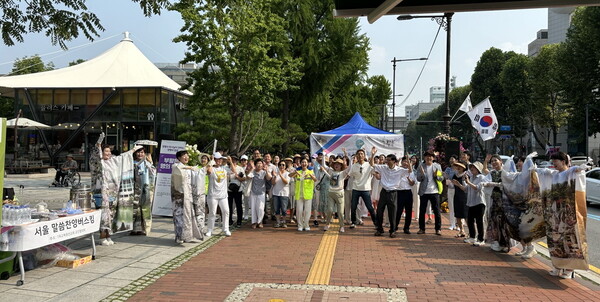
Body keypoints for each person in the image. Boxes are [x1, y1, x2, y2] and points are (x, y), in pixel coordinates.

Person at [536, 152, 587, 279]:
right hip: (555, 213)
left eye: (556, 162)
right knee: (556, 239)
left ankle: (569, 269)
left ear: (564, 161)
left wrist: (581, 168)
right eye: (553, 162)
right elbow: (544, 171)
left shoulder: (569, 173)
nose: (554, 164)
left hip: (568, 212)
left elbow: (576, 170)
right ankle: (557, 266)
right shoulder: (555, 175)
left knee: (570, 238)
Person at [94, 133, 142, 246]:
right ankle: (102, 237)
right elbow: (97, 152)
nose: (108, 153)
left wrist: (133, 150)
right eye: (106, 151)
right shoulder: (99, 162)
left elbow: (123, 157)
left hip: (113, 192)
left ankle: (108, 235)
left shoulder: (113, 161)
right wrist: (100, 141)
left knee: (112, 214)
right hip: (103, 191)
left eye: (109, 151)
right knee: (104, 214)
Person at [369, 147, 410, 238]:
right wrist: (372, 154)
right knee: (379, 211)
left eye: (388, 160)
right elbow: (372, 164)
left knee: (392, 213)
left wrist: (408, 161)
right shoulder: (383, 168)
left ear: (394, 161)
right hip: (384, 192)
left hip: (393, 193)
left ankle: (393, 230)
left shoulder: (399, 170)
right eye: (386, 160)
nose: (386, 162)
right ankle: (380, 229)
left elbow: (409, 171)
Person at [171, 150, 204, 243]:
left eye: (187, 156)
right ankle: (178, 236)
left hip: (188, 195)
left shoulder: (189, 169)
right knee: (179, 216)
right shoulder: (175, 166)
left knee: (188, 216)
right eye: (184, 156)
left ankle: (187, 236)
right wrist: (190, 167)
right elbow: (180, 169)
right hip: (178, 197)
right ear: (178, 158)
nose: (186, 157)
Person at [464, 162, 497, 246]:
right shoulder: (471, 177)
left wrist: (468, 182)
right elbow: (467, 189)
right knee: (470, 220)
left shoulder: (482, 177)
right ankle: (472, 236)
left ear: (478, 169)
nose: (472, 169)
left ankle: (481, 239)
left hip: (479, 202)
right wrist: (458, 184)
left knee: (479, 221)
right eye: (471, 167)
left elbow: (477, 188)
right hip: (471, 202)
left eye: (474, 167)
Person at [483, 154, 510, 253]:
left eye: (495, 160)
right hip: (494, 200)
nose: (494, 163)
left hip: (504, 200)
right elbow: (485, 179)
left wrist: (495, 184)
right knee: (495, 221)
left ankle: (506, 244)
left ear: (500, 161)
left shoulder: (506, 172)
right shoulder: (492, 173)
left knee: (504, 222)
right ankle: (497, 241)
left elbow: (507, 184)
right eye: (492, 161)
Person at [347, 148, 377, 229]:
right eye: (358, 154)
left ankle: (376, 223)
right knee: (353, 206)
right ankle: (353, 222)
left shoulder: (368, 165)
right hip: (356, 189)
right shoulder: (354, 166)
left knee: (370, 207)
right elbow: (348, 176)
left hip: (365, 190)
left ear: (364, 156)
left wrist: (373, 155)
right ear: (356, 156)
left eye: (361, 154)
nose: (360, 155)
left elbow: (374, 172)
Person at [415, 151, 444, 235]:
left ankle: (438, 229)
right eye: (427, 156)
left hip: (434, 191)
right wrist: (423, 174)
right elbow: (418, 179)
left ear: (433, 158)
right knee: (422, 211)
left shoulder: (437, 166)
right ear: (424, 158)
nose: (429, 158)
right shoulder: (421, 166)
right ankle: (422, 228)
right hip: (424, 192)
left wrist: (437, 176)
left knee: (437, 211)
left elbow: (441, 178)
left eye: (431, 156)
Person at [131, 147, 156, 236]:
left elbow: (153, 174)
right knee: (135, 208)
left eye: (142, 152)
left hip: (145, 189)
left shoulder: (147, 163)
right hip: (134, 189)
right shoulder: (131, 163)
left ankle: (144, 228)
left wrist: (150, 162)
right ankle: (134, 228)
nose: (140, 154)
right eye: (138, 152)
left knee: (145, 208)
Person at [206, 152, 231, 237]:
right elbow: (208, 171)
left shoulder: (224, 169)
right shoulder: (211, 168)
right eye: (217, 159)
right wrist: (211, 161)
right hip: (213, 195)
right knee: (212, 213)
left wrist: (230, 162)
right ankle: (210, 229)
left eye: (220, 159)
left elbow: (235, 172)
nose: (219, 161)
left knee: (226, 211)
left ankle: (226, 228)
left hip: (223, 195)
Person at [320, 157, 348, 233]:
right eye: (335, 164)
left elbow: (350, 168)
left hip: (340, 194)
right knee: (329, 210)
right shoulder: (331, 171)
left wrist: (350, 159)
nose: (337, 165)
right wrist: (323, 155)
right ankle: (327, 224)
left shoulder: (343, 173)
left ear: (341, 166)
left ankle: (342, 226)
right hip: (331, 193)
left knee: (340, 212)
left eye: (338, 164)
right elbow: (324, 165)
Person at [290, 158, 317, 231]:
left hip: (308, 194)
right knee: (299, 210)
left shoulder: (310, 171)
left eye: (305, 162)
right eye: (302, 162)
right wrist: (295, 172)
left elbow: (315, 180)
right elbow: (290, 175)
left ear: (308, 164)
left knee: (307, 211)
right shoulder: (298, 171)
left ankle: (306, 224)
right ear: (300, 164)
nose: (304, 164)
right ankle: (300, 225)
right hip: (299, 194)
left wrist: (311, 176)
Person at [247, 158, 273, 228]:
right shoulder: (253, 172)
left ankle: (260, 221)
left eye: (261, 163)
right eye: (258, 163)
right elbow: (248, 176)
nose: (259, 165)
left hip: (261, 192)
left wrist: (267, 170)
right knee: (253, 208)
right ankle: (254, 222)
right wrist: (252, 168)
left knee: (261, 208)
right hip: (253, 192)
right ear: (255, 165)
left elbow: (269, 178)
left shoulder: (264, 172)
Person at [396, 156, 416, 234]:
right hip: (399, 192)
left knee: (408, 211)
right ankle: (395, 226)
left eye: (407, 161)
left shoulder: (411, 172)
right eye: (404, 161)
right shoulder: (398, 170)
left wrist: (409, 179)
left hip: (408, 192)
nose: (405, 163)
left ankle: (406, 228)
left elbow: (412, 183)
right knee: (398, 211)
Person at [450, 160, 469, 238]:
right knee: (458, 215)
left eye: (460, 166)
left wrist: (458, 184)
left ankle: (471, 232)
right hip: (457, 196)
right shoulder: (455, 175)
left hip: (465, 197)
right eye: (457, 166)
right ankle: (461, 230)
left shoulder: (466, 175)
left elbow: (466, 188)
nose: (458, 167)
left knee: (466, 215)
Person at [226, 156, 244, 227]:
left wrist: (238, 177)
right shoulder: (226, 168)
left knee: (239, 205)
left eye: (234, 160)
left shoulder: (240, 168)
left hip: (238, 189)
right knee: (229, 206)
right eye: (231, 160)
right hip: (229, 189)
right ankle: (229, 220)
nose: (233, 161)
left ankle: (239, 220)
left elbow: (242, 178)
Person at [271, 160, 290, 228]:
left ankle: (284, 222)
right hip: (276, 193)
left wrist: (280, 175)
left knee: (284, 209)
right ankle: (278, 222)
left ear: (285, 166)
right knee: (276, 209)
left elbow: (286, 182)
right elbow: (273, 183)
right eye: (280, 165)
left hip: (284, 194)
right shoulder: (276, 173)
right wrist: (275, 176)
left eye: (283, 165)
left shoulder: (287, 174)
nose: (281, 166)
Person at [444, 155, 458, 230]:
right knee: (451, 206)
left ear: (456, 160)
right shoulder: (448, 169)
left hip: (458, 189)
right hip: (450, 189)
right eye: (450, 159)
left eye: (453, 159)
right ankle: (452, 224)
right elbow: (445, 177)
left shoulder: (459, 169)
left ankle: (458, 224)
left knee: (458, 207)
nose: (452, 160)